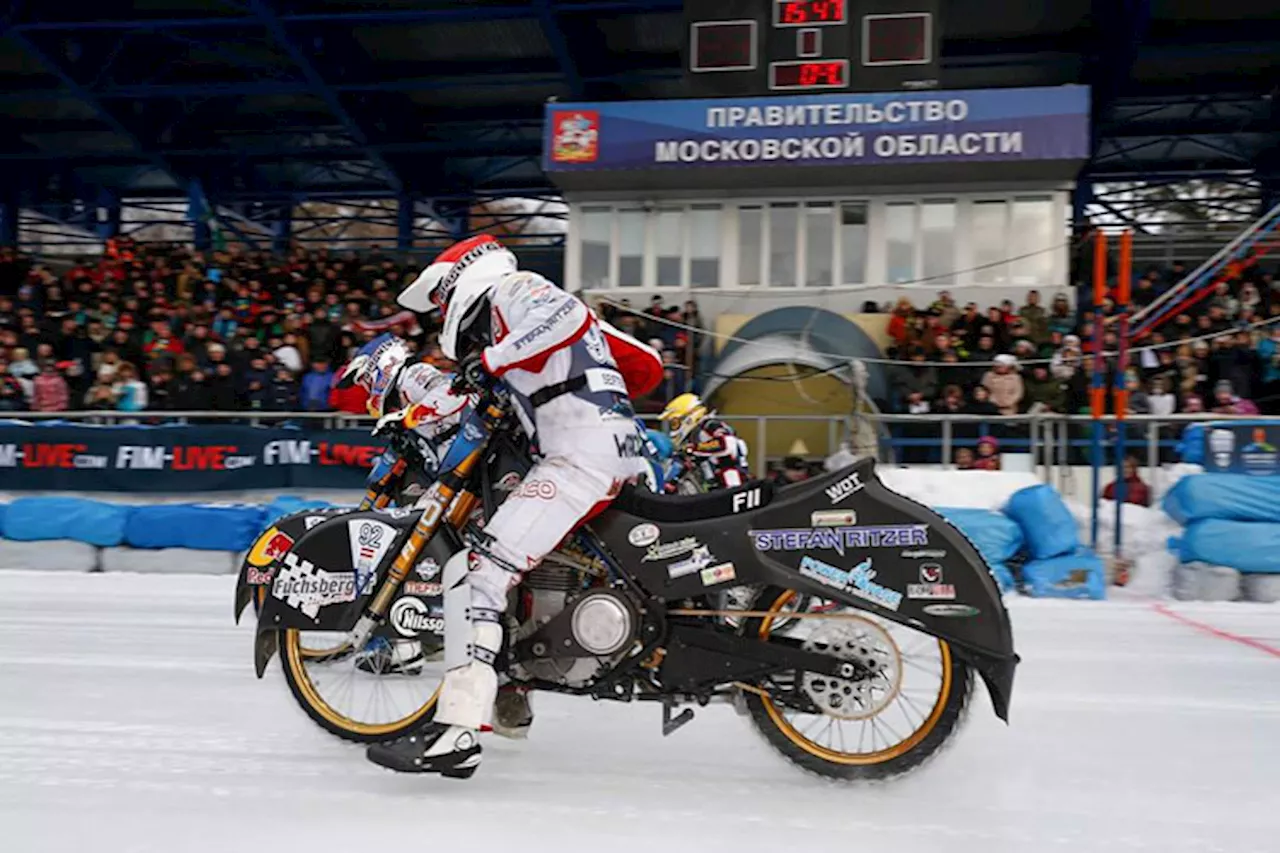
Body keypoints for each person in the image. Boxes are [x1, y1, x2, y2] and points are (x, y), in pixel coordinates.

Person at [366, 235, 662, 778]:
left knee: (481, 575)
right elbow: (645, 363)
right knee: (533, 571)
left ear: (458, 283)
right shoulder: (520, 320)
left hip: (578, 458)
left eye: (439, 304)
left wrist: (495, 359)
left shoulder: (515, 290)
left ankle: (456, 732)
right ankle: (512, 698)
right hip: (618, 453)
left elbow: (567, 315)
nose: (440, 317)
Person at [337, 332, 474, 678]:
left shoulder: (413, 375)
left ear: (383, 363)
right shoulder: (404, 388)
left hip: (469, 480)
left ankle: (408, 644)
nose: (368, 389)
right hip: (461, 479)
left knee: (415, 549)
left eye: (367, 377)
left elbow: (453, 392)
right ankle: (423, 637)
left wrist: (409, 417)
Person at [659, 392, 750, 490]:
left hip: (732, 483)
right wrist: (671, 483)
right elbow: (689, 463)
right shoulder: (695, 436)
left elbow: (726, 444)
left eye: (675, 423)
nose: (673, 428)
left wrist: (693, 449)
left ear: (688, 416)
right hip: (713, 488)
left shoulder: (710, 425)